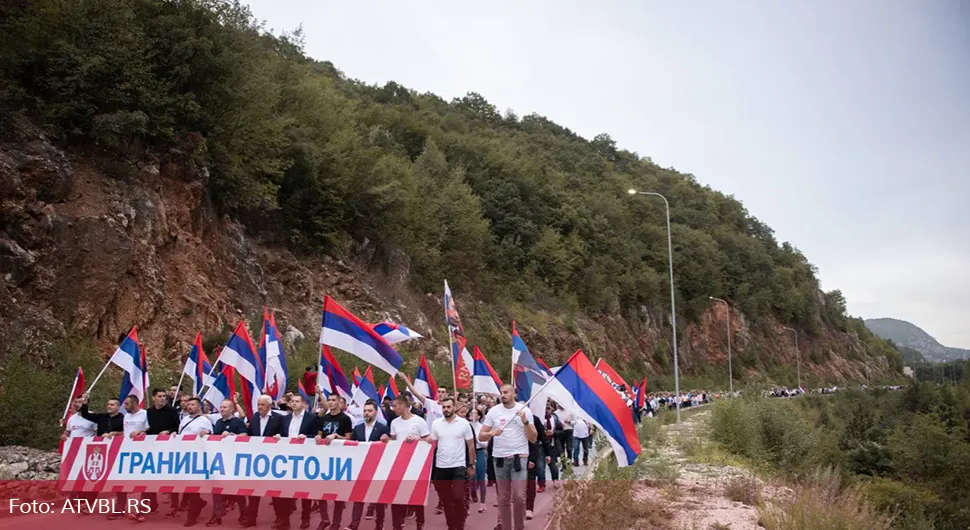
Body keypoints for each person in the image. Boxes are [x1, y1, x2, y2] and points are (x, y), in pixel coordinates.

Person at [479, 385, 537, 530]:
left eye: (506, 392)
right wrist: (492, 433)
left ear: (514, 394)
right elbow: (481, 436)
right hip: (499, 458)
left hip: (519, 457)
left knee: (519, 496)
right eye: (501, 392)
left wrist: (525, 422)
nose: (502, 395)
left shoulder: (524, 411)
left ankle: (519, 526)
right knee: (503, 498)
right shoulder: (494, 411)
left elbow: (534, 438)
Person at [430, 397, 475, 530]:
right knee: (446, 501)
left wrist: (471, 465)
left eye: (449, 407)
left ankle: (460, 525)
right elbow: (432, 443)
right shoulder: (436, 424)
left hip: (459, 467)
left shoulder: (464, 424)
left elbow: (471, 446)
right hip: (441, 467)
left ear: (454, 407)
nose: (446, 409)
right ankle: (451, 526)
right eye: (444, 407)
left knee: (458, 496)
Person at [388, 394, 430, 530]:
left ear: (403, 405)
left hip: (415, 465)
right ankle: (396, 524)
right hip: (398, 464)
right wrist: (386, 439)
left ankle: (420, 521)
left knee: (415, 496)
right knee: (396, 496)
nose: (393, 408)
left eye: (395, 406)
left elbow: (429, 440)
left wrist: (417, 440)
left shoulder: (419, 421)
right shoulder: (394, 423)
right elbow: (392, 442)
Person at [241, 395, 284, 528]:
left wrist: (279, 438)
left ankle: (280, 518)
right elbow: (249, 434)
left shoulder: (279, 418)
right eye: (258, 404)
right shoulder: (254, 418)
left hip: (273, 460)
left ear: (269, 405)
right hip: (256, 460)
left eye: (262, 405)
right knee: (253, 492)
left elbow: (284, 435)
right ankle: (251, 518)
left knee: (274, 492)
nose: (260, 407)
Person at [347, 400, 390, 530]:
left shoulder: (383, 428)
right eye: (365, 410)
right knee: (358, 497)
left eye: (369, 411)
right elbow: (351, 445)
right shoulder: (358, 428)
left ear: (376, 412)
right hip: (360, 468)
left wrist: (387, 440)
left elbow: (389, 447)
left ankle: (379, 523)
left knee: (378, 499)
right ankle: (354, 524)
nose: (367, 413)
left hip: (377, 469)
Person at [206, 399, 248, 527]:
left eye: (225, 407)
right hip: (220, 460)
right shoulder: (218, 423)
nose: (222, 409)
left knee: (238, 490)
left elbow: (245, 436)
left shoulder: (238, 422)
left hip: (234, 461)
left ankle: (243, 513)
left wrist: (231, 435)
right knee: (217, 488)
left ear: (231, 409)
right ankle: (217, 514)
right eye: (221, 407)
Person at [280, 395, 320, 530]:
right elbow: (282, 434)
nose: (294, 403)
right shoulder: (285, 418)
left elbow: (316, 435)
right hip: (287, 458)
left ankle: (305, 518)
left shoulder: (312, 418)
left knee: (304, 491)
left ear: (303, 404)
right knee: (285, 491)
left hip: (304, 457)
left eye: (297, 401)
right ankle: (284, 520)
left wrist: (306, 437)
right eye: (292, 401)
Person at [316, 394, 353, 530]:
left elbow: (349, 439)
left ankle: (336, 522)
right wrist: (317, 438)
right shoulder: (323, 418)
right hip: (323, 459)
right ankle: (324, 519)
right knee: (320, 491)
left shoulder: (345, 419)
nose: (330, 403)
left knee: (338, 493)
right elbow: (319, 435)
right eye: (329, 400)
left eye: (333, 401)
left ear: (339, 403)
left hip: (339, 461)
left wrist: (337, 437)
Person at [178, 397, 214, 527]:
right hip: (184, 457)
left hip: (197, 458)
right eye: (188, 404)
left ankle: (192, 516)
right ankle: (198, 502)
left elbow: (211, 436)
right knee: (187, 487)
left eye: (192, 404)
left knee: (192, 487)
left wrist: (207, 433)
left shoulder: (204, 421)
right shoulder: (184, 420)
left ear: (199, 407)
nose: (189, 406)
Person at [524, 412, 552, 520]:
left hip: (532, 452)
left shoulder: (534, 419)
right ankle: (521, 505)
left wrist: (548, 453)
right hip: (515, 455)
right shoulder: (510, 418)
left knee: (531, 479)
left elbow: (542, 437)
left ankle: (529, 508)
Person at [468, 408, 488, 513]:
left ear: (479, 416)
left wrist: (477, 440)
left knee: (481, 478)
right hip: (469, 454)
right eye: (471, 412)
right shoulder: (467, 426)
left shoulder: (482, 428)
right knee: (470, 478)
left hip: (479, 453)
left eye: (475, 413)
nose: (472, 414)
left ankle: (483, 503)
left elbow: (486, 444)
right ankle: (468, 501)